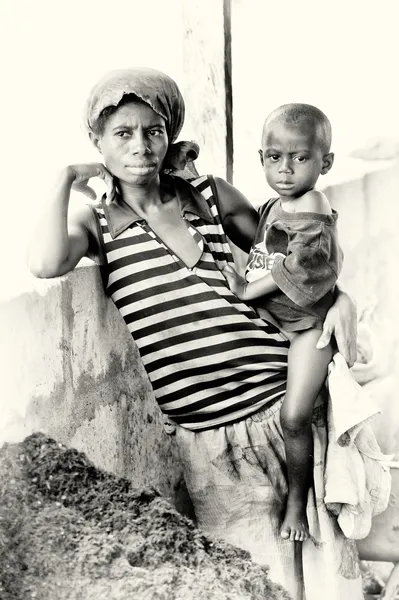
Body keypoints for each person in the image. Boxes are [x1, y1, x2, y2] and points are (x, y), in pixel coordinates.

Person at [27, 68, 362, 600]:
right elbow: (44, 264)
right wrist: (64, 177)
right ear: (97, 142)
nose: (141, 146)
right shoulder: (98, 224)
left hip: (286, 407)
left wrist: (341, 298)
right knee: (249, 581)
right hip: (210, 440)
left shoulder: (207, 194)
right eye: (122, 134)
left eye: (153, 131)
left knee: (328, 578)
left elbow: (297, 258)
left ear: (170, 132)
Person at [223, 104, 341, 543]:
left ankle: (297, 502)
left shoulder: (313, 203)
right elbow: (262, 247)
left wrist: (246, 290)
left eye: (300, 158)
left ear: (325, 163)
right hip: (279, 323)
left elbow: (306, 262)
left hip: (308, 330)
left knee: (294, 418)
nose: (286, 169)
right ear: (261, 159)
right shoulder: (276, 203)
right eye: (275, 158)